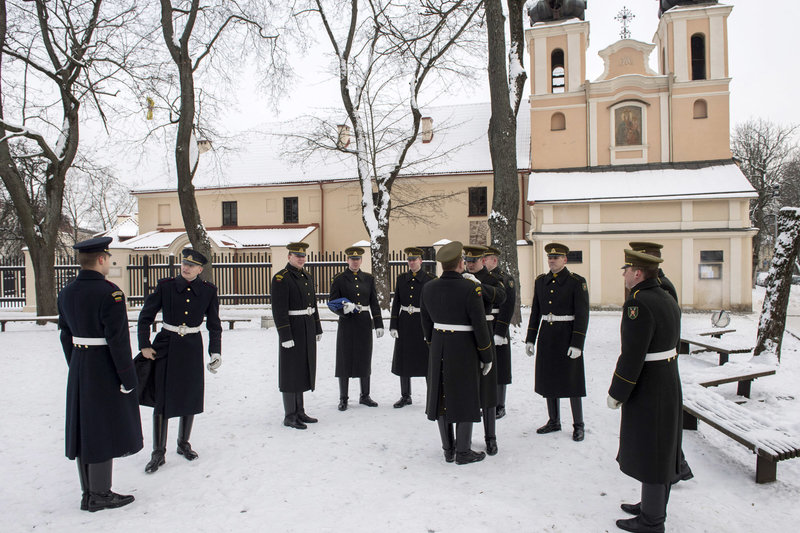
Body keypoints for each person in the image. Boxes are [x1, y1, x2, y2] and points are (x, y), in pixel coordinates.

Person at [58, 237, 143, 511]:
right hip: (104, 366)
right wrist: (128, 378)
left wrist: (76, 364)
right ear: (102, 259)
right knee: (102, 427)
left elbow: (64, 335)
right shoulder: (111, 294)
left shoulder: (66, 292)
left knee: (84, 425)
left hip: (80, 364)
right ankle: (100, 493)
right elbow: (118, 341)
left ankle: (88, 491)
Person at [608, 249, 682, 533]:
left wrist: (618, 391)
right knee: (661, 446)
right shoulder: (665, 295)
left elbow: (632, 354)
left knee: (651, 448)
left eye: (626, 269)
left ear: (637, 272)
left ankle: (652, 520)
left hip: (649, 383)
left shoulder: (638, 304)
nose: (624, 273)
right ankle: (653, 505)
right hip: (667, 378)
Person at [138, 248, 222, 473]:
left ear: (200, 269)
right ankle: (158, 452)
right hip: (166, 345)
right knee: (162, 399)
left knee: (190, 395)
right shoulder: (165, 286)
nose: (186, 267)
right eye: (184, 263)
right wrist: (144, 345)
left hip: (192, 347)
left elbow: (214, 323)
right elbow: (145, 316)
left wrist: (215, 352)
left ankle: (183, 443)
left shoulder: (208, 291)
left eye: (191, 265)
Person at [420, 241, 493, 465]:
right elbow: (479, 325)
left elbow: (426, 322)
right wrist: (486, 355)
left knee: (441, 396)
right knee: (464, 396)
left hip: (439, 344)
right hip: (464, 347)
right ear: (460, 263)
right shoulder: (471, 288)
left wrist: (433, 343)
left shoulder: (429, 287)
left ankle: (448, 449)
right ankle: (463, 451)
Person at [629, 241, 693, 483]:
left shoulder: (661, 288)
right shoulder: (650, 288)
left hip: (657, 369)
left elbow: (667, 331)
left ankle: (679, 467)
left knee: (660, 434)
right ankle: (677, 467)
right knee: (660, 434)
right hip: (657, 365)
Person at [525, 243, 589, 442]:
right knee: (549, 378)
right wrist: (530, 338)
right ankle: (554, 420)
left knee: (572, 380)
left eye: (556, 257)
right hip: (547, 335)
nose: (552, 261)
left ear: (565, 260)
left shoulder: (575, 282)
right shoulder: (541, 281)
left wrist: (577, 343)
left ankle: (578, 424)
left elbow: (582, 314)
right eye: (550, 258)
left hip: (567, 334)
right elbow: (536, 311)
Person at [271, 242, 323, 429]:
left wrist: (317, 327)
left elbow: (313, 305)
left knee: (303, 368)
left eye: (303, 256)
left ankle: (300, 410)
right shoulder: (281, 278)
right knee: (290, 371)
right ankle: (290, 415)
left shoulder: (306, 276)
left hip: (307, 327)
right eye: (297, 255)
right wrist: (285, 335)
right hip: (292, 328)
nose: (301, 258)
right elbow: (279, 309)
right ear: (289, 257)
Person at [329, 246, 384, 410]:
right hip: (347, 323)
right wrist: (343, 310)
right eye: (352, 259)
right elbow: (332, 303)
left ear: (361, 260)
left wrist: (378, 324)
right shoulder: (339, 279)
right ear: (347, 260)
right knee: (344, 359)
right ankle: (343, 397)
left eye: (358, 259)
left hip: (364, 323)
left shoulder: (368, 278)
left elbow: (374, 302)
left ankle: (365, 395)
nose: (355, 262)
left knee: (364, 357)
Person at [463, 245, 505, 456]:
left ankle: (491, 437)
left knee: (488, 389)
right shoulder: (461, 278)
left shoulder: (490, 278)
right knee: (468, 388)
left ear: (482, 260)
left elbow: (501, 296)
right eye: (468, 261)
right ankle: (466, 437)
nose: (470, 264)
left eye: (474, 261)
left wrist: (480, 285)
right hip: (465, 336)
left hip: (485, 333)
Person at [389, 247, 436, 408]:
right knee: (404, 359)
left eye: (414, 259)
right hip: (405, 323)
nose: (411, 262)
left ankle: (432, 396)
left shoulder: (430, 279)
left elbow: (434, 305)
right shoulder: (402, 278)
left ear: (421, 261)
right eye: (409, 260)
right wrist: (393, 325)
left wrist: (433, 325)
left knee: (427, 360)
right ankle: (405, 395)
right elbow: (397, 302)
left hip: (423, 323)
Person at [484, 245, 516, 419]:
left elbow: (508, 307)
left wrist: (500, 332)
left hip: (498, 325)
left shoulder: (505, 279)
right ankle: (487, 401)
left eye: (485, 258)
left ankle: (500, 404)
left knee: (500, 366)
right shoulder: (479, 278)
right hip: (484, 324)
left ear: (494, 260)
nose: (482, 261)